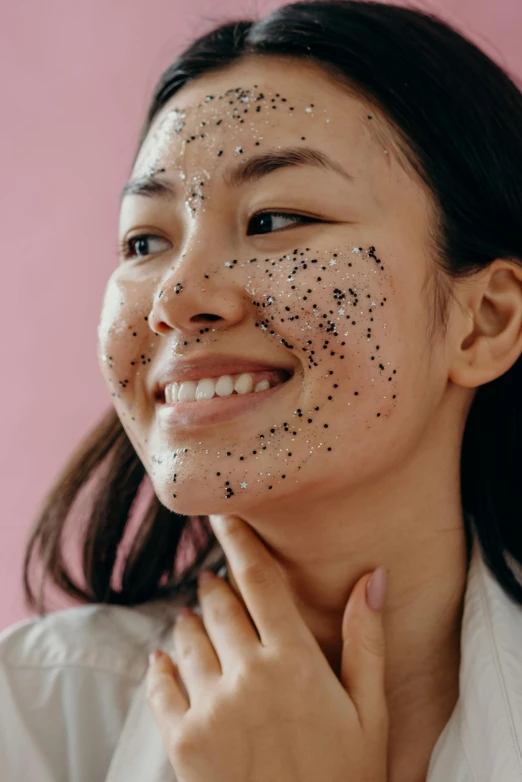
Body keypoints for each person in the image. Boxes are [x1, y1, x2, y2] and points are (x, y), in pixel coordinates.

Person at [1, 1, 522, 779]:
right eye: (146, 240)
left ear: (484, 321)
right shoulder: (36, 715)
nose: (177, 298)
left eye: (275, 219)